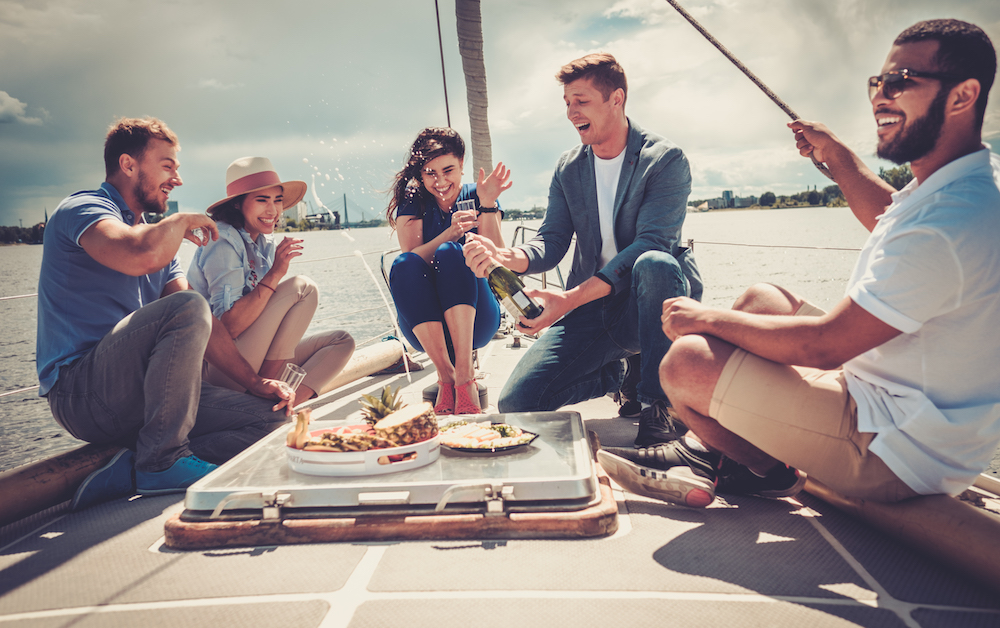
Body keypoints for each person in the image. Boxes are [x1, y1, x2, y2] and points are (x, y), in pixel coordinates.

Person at [598, 19, 1000, 509]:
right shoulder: (966, 183)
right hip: (897, 401)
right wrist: (841, 159)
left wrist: (701, 318)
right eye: (878, 82)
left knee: (686, 364)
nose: (880, 95)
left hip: (898, 450)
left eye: (902, 81)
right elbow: (893, 217)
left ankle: (763, 472)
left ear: (963, 96)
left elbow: (825, 346)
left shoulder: (948, 222)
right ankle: (718, 450)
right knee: (765, 300)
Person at [37, 117, 293, 510]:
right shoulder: (82, 208)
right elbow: (137, 254)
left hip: (143, 396)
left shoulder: (159, 241)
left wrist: (256, 383)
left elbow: (204, 325)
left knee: (269, 419)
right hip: (82, 393)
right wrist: (178, 221)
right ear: (128, 165)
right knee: (188, 306)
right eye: (168, 166)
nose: (177, 179)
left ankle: (135, 466)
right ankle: (161, 462)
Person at [463, 53, 702, 445]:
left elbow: (652, 242)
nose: (572, 112)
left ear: (616, 99)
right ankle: (617, 373)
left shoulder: (665, 160)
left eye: (581, 101)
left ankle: (660, 407)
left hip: (653, 306)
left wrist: (569, 299)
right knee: (518, 403)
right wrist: (512, 258)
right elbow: (552, 240)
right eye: (567, 103)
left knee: (655, 263)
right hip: (595, 310)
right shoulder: (568, 167)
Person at [187, 156, 355, 406]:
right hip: (219, 368)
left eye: (278, 201)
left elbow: (263, 317)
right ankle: (262, 394)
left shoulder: (264, 244)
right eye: (262, 200)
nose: (273, 210)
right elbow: (228, 327)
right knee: (303, 288)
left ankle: (280, 406)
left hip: (252, 360)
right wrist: (275, 273)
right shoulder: (222, 239)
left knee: (341, 342)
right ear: (237, 204)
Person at [386, 127, 512, 415]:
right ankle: (447, 377)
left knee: (453, 254)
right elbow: (412, 261)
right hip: (423, 323)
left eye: (448, 170)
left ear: (462, 165)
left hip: (479, 318)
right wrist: (450, 233)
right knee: (404, 263)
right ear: (420, 174)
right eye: (430, 173)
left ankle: (465, 376)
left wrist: (488, 204)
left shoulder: (478, 195)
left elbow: (500, 260)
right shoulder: (414, 201)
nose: (440, 181)